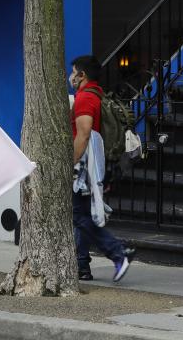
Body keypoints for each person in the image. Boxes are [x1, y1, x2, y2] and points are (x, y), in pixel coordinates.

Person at [70, 55, 135, 282]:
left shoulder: (85, 98)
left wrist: (71, 163)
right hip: (96, 163)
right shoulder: (97, 94)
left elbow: (84, 132)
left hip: (85, 165)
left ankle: (118, 253)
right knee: (82, 215)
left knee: (79, 216)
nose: (71, 76)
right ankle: (82, 266)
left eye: (74, 71)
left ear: (82, 75)